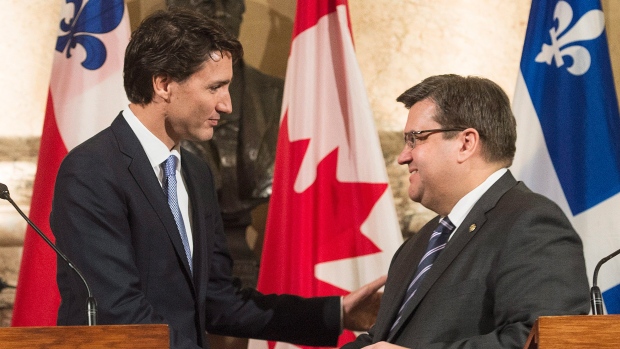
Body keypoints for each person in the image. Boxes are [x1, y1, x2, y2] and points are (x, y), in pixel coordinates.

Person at [50, 9, 382, 349]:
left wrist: (336, 314)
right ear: (163, 84)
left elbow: (218, 300)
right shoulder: (91, 171)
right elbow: (119, 313)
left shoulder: (194, 173)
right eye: (216, 87)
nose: (226, 105)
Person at [341, 74, 590, 349]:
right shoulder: (418, 244)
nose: (403, 156)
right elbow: (381, 340)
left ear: (465, 143)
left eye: (415, 139)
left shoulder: (531, 223)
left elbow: (540, 340)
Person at [166, 0, 283, 289]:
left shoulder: (277, 94)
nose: (220, 13)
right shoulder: (156, 110)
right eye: (206, 2)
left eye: (230, 3)